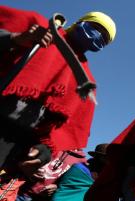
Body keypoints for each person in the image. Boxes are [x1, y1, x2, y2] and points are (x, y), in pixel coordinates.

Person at [0, 6, 116, 169]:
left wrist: (46, 150)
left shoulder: (85, 80)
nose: (97, 36)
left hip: (14, 141)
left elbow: (66, 128)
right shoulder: (40, 28)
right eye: (96, 27)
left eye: (103, 38)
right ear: (81, 22)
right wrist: (16, 38)